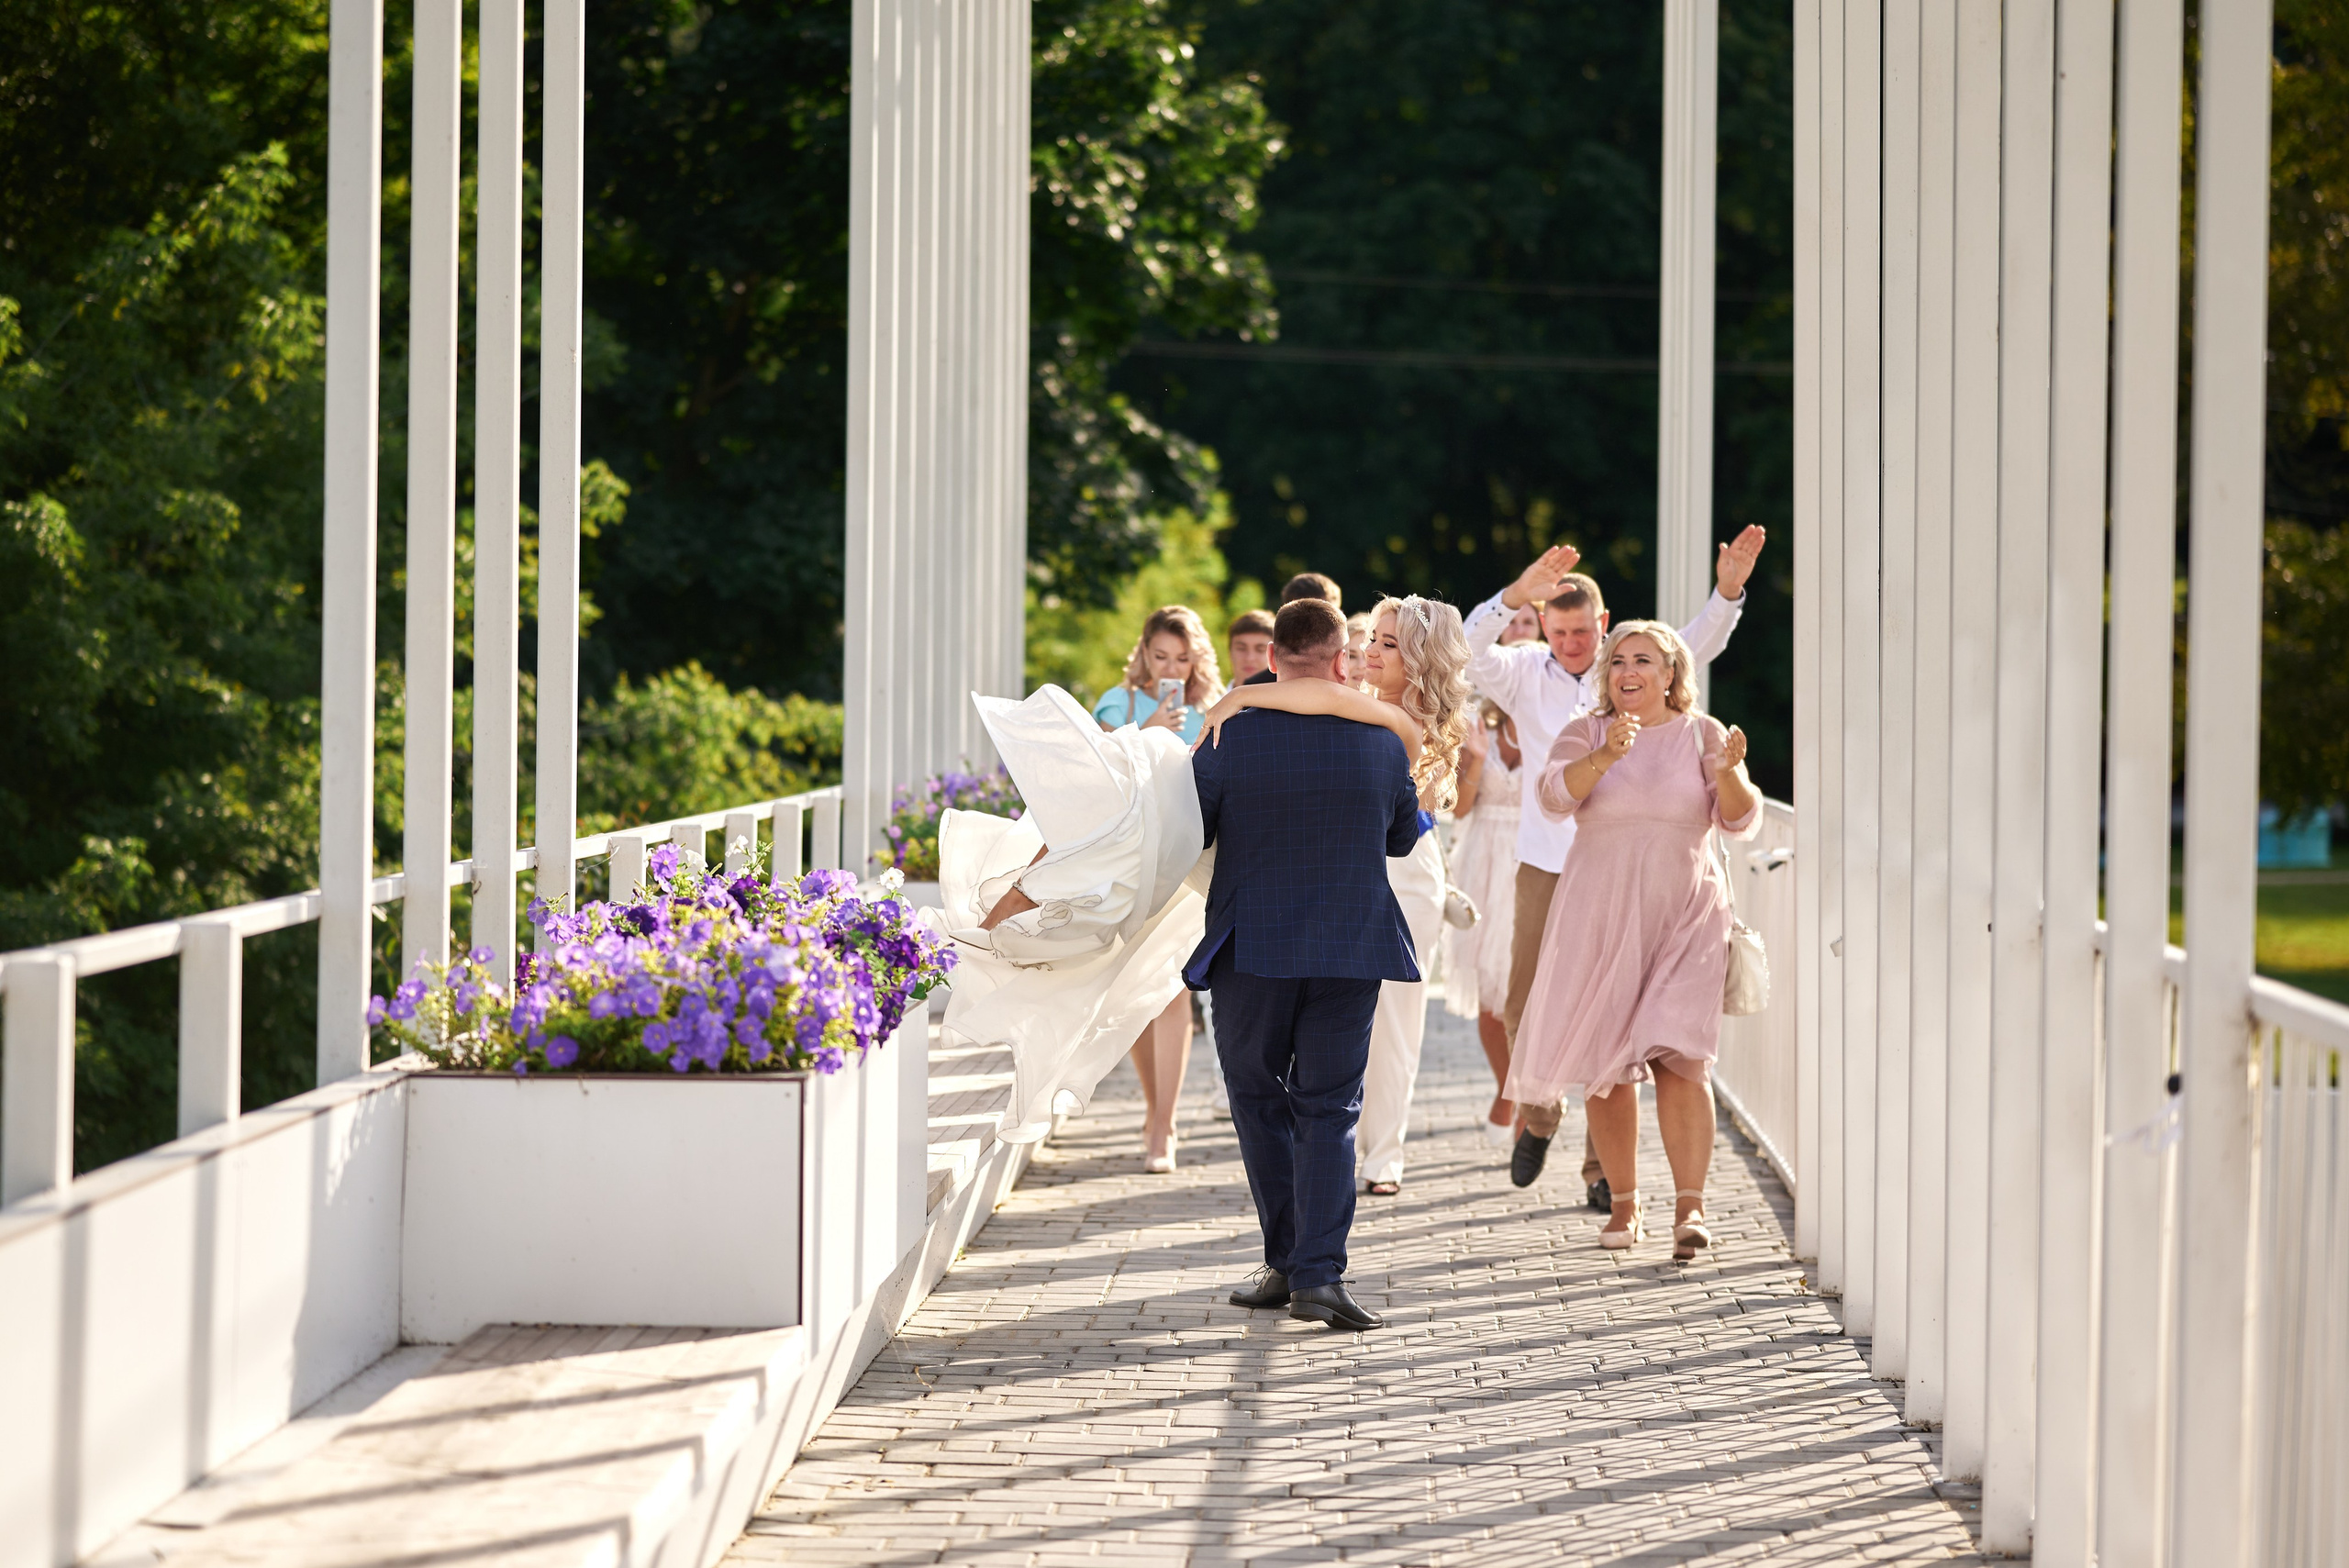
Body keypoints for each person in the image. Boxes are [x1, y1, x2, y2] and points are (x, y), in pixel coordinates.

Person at [1466, 527, 1765, 1208]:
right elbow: (1467, 650)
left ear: (1598, 626)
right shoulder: (1521, 672)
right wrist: (1515, 592)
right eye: (1558, 629)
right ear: (1544, 625)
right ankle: (1541, 1117)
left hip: (1658, 880)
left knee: (1623, 1026)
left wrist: (1728, 590)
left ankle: (1605, 1178)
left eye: (1581, 631)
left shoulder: (1636, 663)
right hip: (1552, 861)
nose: (1571, 642)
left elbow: (1696, 640)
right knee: (1526, 1006)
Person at [1187, 597, 1422, 1332]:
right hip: (1350, 945)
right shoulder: (1382, 741)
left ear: (1271, 658)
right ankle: (1315, 1274)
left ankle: (1288, 1259)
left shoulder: (1228, 734)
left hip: (1252, 945)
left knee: (1258, 1098)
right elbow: (1402, 839)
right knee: (1331, 1105)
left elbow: (1190, 829)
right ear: (1339, 658)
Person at [1197, 595, 1471, 1196]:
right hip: (1341, 865)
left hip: (1400, 868)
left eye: (1388, 644)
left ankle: (1384, 1154)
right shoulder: (1357, 702)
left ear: (1421, 660)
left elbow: (1312, 696)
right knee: (1337, 1032)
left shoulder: (1411, 720)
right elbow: (1309, 694)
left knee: (1397, 1020)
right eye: (1371, 638)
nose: (1369, 650)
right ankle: (1333, 1150)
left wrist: (1242, 695)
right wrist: (1244, 695)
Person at [1504, 622, 1761, 1262]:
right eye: (1618, 659)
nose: (1628, 669)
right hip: (1602, 917)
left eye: (1643, 659)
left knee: (1682, 1057)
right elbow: (1554, 797)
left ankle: (1690, 1206)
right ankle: (1624, 1203)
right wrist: (1607, 756)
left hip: (1687, 917)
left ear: (1671, 674)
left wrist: (1730, 772)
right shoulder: (1587, 731)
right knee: (1609, 1067)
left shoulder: (1703, 734)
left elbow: (1741, 818)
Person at [1092, 606, 1226, 1169]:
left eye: (1181, 657)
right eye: (1160, 655)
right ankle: (1152, 1108)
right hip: (1129, 862)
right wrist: (1141, 735)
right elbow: (1095, 780)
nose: (1170, 667)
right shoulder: (1115, 706)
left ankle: (1164, 1127)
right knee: (1135, 996)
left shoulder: (1214, 711)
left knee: (1173, 991)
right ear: (1144, 653)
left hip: (1187, 861)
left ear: (1195, 659)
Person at [1442, 700, 1527, 1144]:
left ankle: (1528, 1096)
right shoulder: (1481, 732)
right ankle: (1508, 1088)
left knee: (1530, 993)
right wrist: (1474, 755)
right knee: (1491, 995)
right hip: (1484, 865)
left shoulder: (1554, 732)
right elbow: (1459, 809)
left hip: (1533, 864)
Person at [1241, 573, 1344, 686]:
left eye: (1327, 617)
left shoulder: (1358, 678)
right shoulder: (1255, 687)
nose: (1313, 625)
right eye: (1299, 616)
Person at [1226, 608, 1275, 684]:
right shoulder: (1210, 696)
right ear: (1230, 652)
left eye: (1260, 649)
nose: (1250, 658)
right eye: (1241, 649)